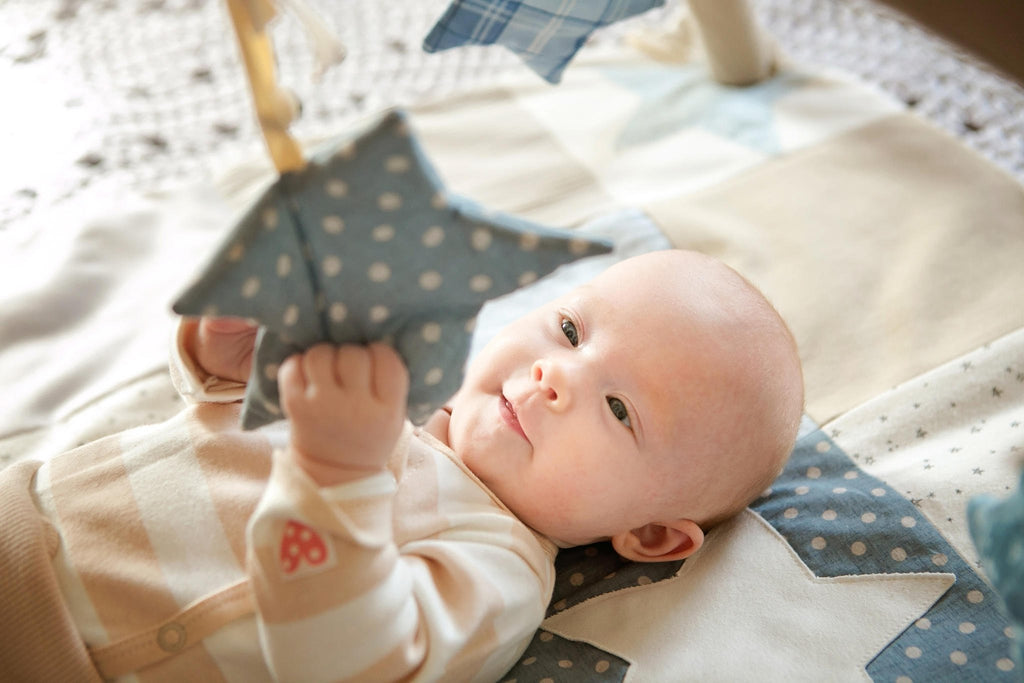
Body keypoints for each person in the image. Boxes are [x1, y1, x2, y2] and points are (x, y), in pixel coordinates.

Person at [0, 248, 804, 682]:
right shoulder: (393, 379)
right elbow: (220, 410)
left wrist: (338, 475)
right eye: (569, 330)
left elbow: (351, 658)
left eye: (620, 408)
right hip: (21, 512)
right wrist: (230, 346)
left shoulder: (498, 570)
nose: (556, 375)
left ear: (651, 534)